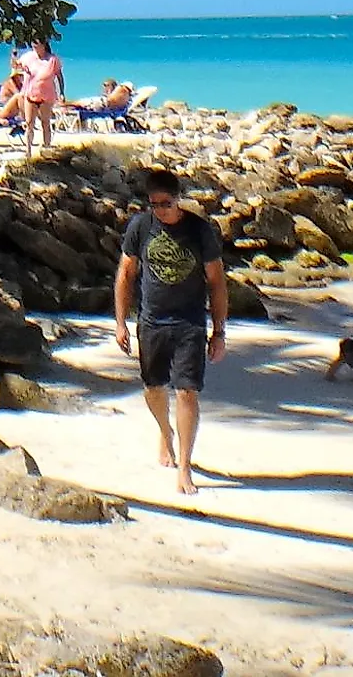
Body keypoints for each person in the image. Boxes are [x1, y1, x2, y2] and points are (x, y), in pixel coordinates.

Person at [113, 166, 227, 497]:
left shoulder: (199, 230)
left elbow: (217, 281)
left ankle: (186, 468)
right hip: (151, 320)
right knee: (153, 388)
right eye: (154, 204)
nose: (160, 210)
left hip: (190, 322)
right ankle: (166, 432)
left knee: (187, 392)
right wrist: (121, 322)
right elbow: (126, 273)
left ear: (178, 200)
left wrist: (219, 332)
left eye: (165, 204)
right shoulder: (140, 227)